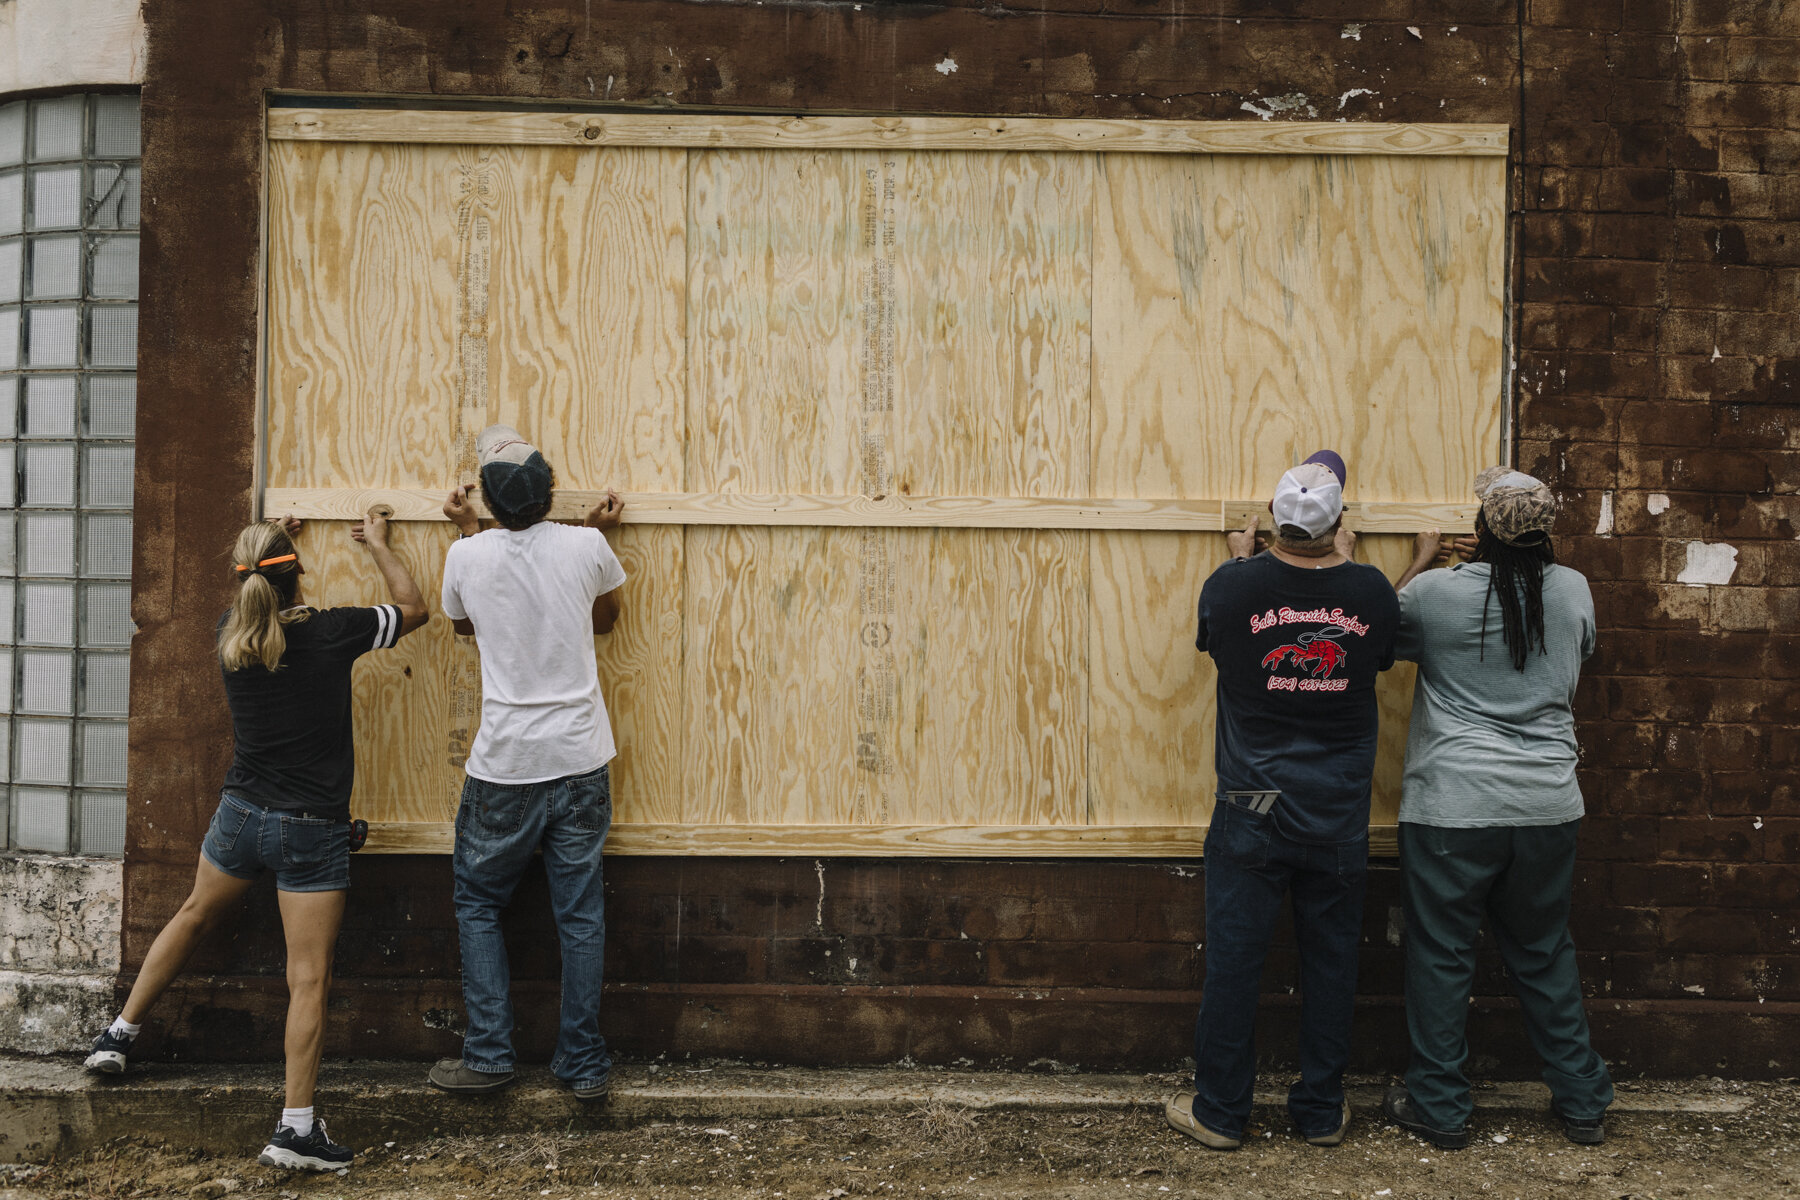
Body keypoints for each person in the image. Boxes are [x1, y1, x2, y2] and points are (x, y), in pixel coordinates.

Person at [82, 513, 428, 1171]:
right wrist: (380, 545)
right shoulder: (331, 633)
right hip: (310, 831)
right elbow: (414, 609)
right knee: (308, 977)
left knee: (192, 915)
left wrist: (268, 539)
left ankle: (118, 1036)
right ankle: (295, 1130)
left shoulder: (229, 632)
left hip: (240, 817)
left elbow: (255, 586)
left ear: (243, 580)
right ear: (298, 574)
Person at [1166, 451, 1400, 1151]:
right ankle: (1321, 1114)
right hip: (1336, 811)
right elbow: (1380, 643)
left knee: (1236, 964)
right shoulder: (1372, 592)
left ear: (1271, 519)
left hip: (1252, 805)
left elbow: (1222, 633)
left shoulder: (1230, 589)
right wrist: (1352, 569)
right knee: (1332, 965)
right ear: (1340, 523)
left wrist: (1243, 563)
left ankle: (1221, 1114)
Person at [1379, 470, 1614, 1149]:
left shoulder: (1435, 595)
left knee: (1441, 955)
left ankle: (1441, 1108)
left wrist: (1424, 559)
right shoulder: (1571, 589)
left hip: (1452, 806)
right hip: (1546, 803)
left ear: (1480, 530)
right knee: (1543, 952)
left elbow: (1367, 635)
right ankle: (1581, 1101)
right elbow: (1581, 652)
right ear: (1546, 534)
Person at [429, 424, 627, 1102]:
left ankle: (488, 1055)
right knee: (580, 912)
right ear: (549, 493)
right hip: (579, 756)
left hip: (506, 763)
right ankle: (582, 1063)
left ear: (486, 499)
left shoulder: (469, 555)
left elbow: (463, 626)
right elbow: (605, 620)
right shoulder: (588, 544)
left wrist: (467, 531)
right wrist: (598, 537)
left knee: (479, 899)